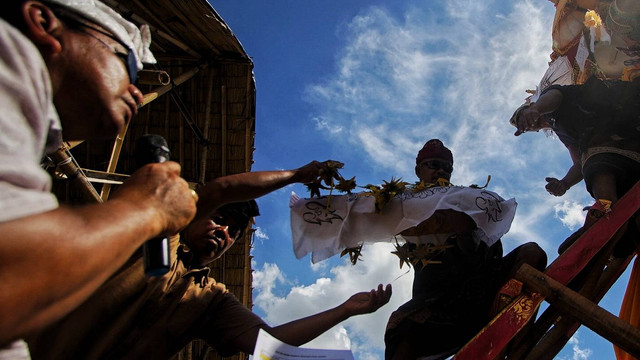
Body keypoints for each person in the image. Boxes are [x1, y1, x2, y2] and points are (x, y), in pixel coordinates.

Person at [27, 161, 393, 360]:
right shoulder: (157, 234)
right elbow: (221, 190)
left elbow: (270, 345)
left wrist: (344, 309)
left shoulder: (210, 299)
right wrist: (296, 176)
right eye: (219, 219)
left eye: (233, 230)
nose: (224, 232)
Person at [0, 0, 197, 356]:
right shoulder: (9, 55)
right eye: (130, 66)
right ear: (44, 22)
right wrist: (146, 209)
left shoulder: (26, 128)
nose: (138, 89)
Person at [384, 139, 547, 360]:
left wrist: (464, 230)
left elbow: (483, 247)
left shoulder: (467, 200)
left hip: (481, 287)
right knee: (404, 332)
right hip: (435, 298)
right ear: (418, 170)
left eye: (447, 168)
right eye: (433, 165)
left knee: (532, 253)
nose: (441, 171)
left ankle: (515, 340)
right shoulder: (402, 205)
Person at [509, 75, 640, 254]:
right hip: (618, 151)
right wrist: (564, 183)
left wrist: (536, 108)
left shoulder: (551, 100)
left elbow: (555, 96)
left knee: (597, 168)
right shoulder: (566, 135)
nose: (526, 124)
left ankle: (608, 221)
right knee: (596, 169)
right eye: (523, 126)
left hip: (620, 123)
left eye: (521, 117)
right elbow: (579, 164)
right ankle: (618, 233)